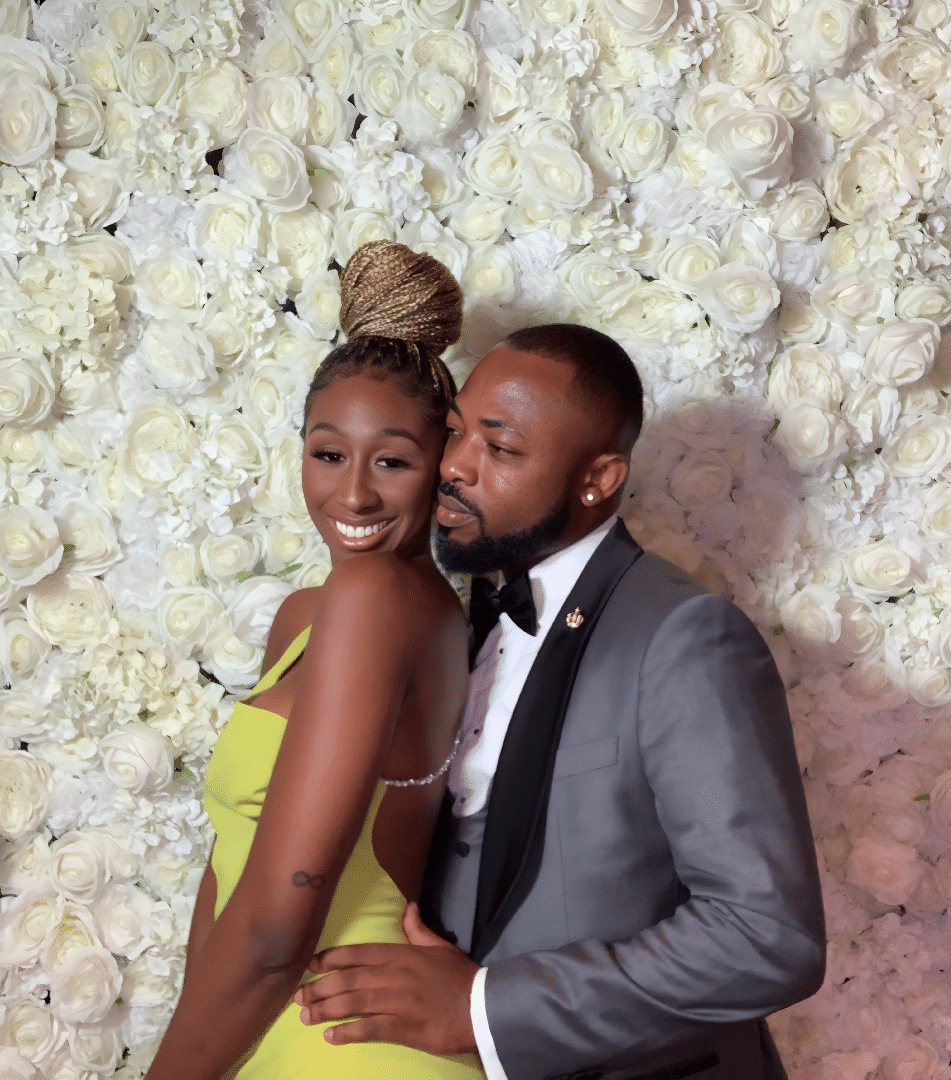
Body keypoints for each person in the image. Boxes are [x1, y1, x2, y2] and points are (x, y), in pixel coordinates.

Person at [294, 324, 827, 1080]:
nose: (455, 468)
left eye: (500, 449)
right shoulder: (451, 614)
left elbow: (765, 937)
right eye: (454, 434)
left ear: (597, 478)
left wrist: (482, 1008)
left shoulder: (685, 637)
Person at [145, 241, 486, 1080]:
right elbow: (233, 874)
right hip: (263, 1032)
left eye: (395, 462)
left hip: (340, 1048)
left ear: (442, 464)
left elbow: (273, 931)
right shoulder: (315, 613)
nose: (355, 495)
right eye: (328, 454)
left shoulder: (373, 602)